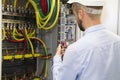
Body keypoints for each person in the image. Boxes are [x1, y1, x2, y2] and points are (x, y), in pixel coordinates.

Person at [53, 0, 120, 80]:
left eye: (75, 15)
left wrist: (57, 58)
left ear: (80, 14)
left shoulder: (75, 50)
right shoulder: (117, 41)